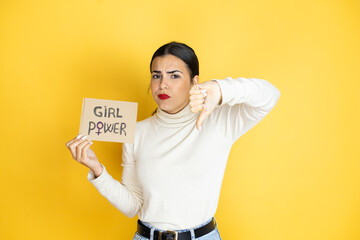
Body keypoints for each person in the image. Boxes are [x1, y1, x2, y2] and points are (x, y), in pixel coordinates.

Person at [66, 41, 281, 240]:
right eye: (156, 75)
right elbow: (133, 205)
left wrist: (218, 88)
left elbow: (270, 95)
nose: (162, 85)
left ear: (194, 82)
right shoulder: (137, 132)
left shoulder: (218, 121)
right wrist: (97, 169)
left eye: (174, 76)